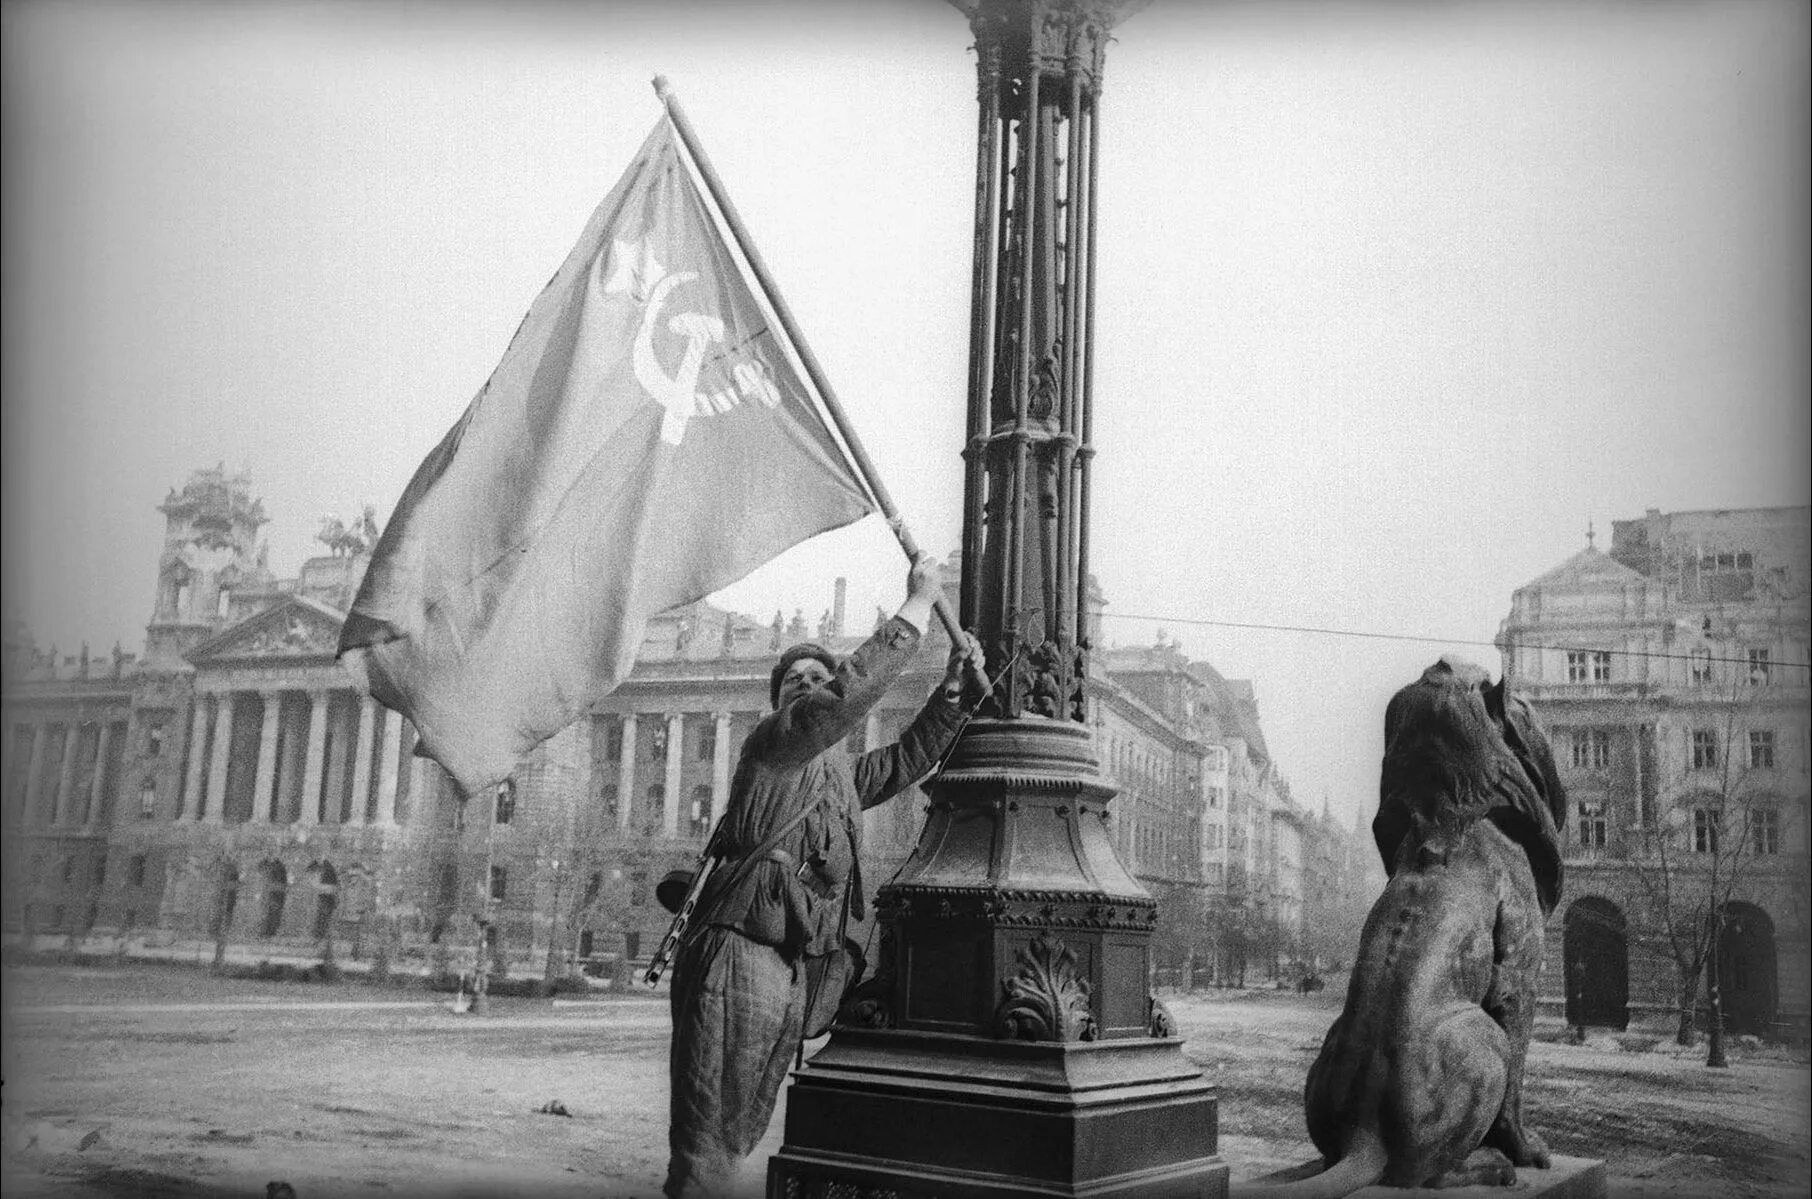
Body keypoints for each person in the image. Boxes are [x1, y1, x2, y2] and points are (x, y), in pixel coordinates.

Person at [664, 554, 984, 1198]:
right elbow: (837, 704)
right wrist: (917, 607)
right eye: (795, 681)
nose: (809, 686)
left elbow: (903, 760)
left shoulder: (834, 775)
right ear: (781, 702)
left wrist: (953, 692)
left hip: (788, 959)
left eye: (820, 676)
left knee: (740, 1124)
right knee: (709, 1128)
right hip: (739, 946)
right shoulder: (776, 745)